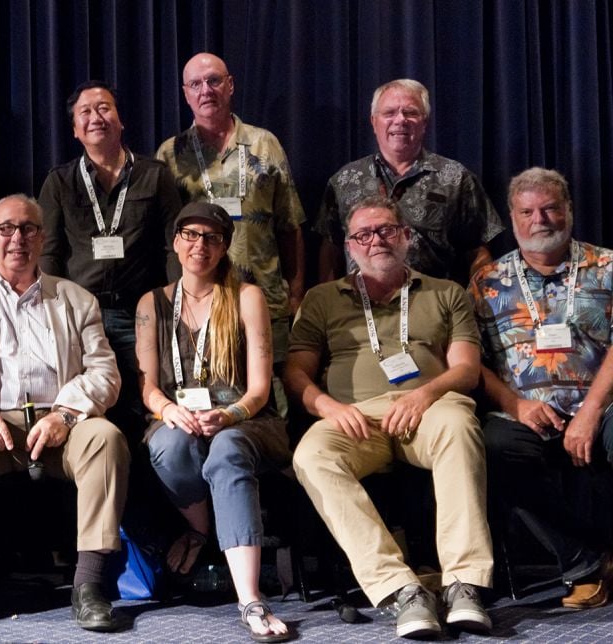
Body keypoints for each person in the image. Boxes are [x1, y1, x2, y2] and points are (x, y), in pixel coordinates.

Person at [0, 194, 129, 633]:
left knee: (106, 439)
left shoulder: (76, 299)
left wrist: (65, 416)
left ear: (43, 238)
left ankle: (88, 585)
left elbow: (105, 372)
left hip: (60, 425)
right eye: (7, 229)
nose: (18, 239)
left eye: (29, 228)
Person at [285, 196, 493, 639]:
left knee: (459, 426)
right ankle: (401, 589)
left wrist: (424, 395)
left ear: (406, 238)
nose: (375, 240)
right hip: (355, 417)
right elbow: (296, 371)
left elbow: (467, 370)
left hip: (432, 408)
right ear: (349, 246)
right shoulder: (324, 298)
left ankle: (463, 582)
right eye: (363, 234)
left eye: (385, 230)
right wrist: (328, 406)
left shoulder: (445, 292)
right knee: (311, 454)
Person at [135, 202, 291, 642]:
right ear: (175, 241)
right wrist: (169, 411)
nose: (199, 245)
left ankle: (250, 599)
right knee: (169, 445)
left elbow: (259, 391)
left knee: (225, 449)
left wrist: (227, 414)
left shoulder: (246, 296)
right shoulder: (153, 303)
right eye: (190, 235)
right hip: (180, 416)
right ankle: (200, 529)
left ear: (224, 247)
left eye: (211, 237)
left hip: (247, 420)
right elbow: (147, 387)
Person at [471, 167, 613, 607]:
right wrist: (514, 404)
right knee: (492, 448)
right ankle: (585, 561)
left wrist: (590, 411)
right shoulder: (486, 282)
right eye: (528, 211)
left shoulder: (606, 266)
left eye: (551, 208)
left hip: (602, 404)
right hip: (524, 411)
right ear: (512, 219)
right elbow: (469, 360)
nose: (541, 220)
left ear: (568, 210)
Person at [39, 80, 182, 439]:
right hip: (80, 316)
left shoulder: (155, 176)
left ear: (120, 121)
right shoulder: (60, 182)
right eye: (84, 112)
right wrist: (49, 315)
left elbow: (172, 248)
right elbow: (49, 253)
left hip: (141, 314)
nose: (95, 117)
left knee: (141, 407)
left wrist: (175, 307)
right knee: (87, 408)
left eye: (104, 108)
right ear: (74, 130)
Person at [157, 53, 306, 383]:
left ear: (230, 85)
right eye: (195, 84)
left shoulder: (264, 144)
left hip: (266, 297)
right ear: (185, 93)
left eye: (213, 81)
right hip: (200, 306)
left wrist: (296, 295)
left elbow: (289, 224)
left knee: (273, 398)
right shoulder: (170, 154)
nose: (205, 90)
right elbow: (164, 236)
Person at [315, 78, 503, 286]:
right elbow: (330, 250)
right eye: (389, 113)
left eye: (411, 113)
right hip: (359, 309)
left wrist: (479, 296)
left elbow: (477, 249)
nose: (400, 120)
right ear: (373, 122)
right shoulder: (344, 180)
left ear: (424, 122)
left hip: (433, 307)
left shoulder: (456, 178)